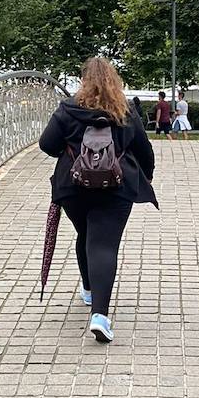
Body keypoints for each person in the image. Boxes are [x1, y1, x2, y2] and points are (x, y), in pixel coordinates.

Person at [40, 57, 157, 343]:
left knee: (86, 234)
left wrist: (70, 150)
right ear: (114, 80)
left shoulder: (67, 110)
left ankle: (90, 289)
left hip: (73, 187)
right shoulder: (125, 110)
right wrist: (147, 176)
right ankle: (100, 315)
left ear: (84, 80)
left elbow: (46, 144)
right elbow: (144, 150)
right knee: (103, 243)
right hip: (116, 187)